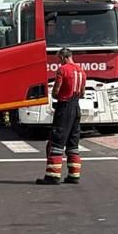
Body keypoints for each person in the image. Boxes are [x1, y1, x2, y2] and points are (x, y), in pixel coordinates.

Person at [37, 47, 87, 185]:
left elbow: (55, 92)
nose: (59, 62)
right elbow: (82, 93)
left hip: (64, 107)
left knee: (57, 140)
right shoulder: (81, 71)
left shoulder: (63, 70)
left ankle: (52, 176)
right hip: (76, 107)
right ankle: (74, 175)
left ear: (63, 57)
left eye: (59, 59)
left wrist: (57, 95)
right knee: (73, 142)